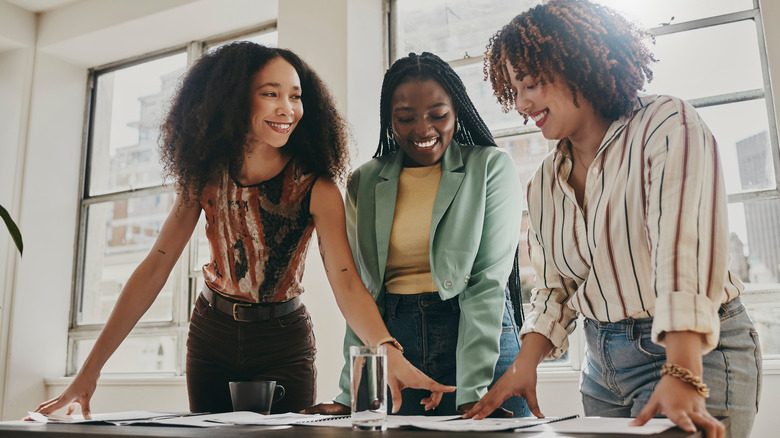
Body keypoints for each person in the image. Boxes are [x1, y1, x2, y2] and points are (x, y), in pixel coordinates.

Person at [35, 42, 453, 417]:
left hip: (283, 340)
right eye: (270, 94)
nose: (287, 108)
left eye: (295, 95)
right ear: (234, 100)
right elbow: (155, 268)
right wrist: (88, 373)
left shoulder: (318, 187)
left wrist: (387, 352)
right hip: (211, 334)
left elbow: (345, 281)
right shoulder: (204, 178)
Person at [463, 2, 762, 437]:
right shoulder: (544, 182)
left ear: (576, 66)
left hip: (695, 351)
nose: (522, 104)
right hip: (601, 369)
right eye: (514, 90)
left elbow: (684, 254)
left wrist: (681, 371)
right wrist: (522, 366)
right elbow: (556, 288)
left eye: (530, 85)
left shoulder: (666, 125)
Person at [305, 52, 530, 417]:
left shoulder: (490, 166)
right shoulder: (365, 181)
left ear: (456, 111)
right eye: (405, 118)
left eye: (438, 115)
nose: (423, 130)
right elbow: (363, 292)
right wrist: (352, 392)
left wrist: (472, 390)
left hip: (478, 340)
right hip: (397, 345)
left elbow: (486, 283)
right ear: (389, 121)